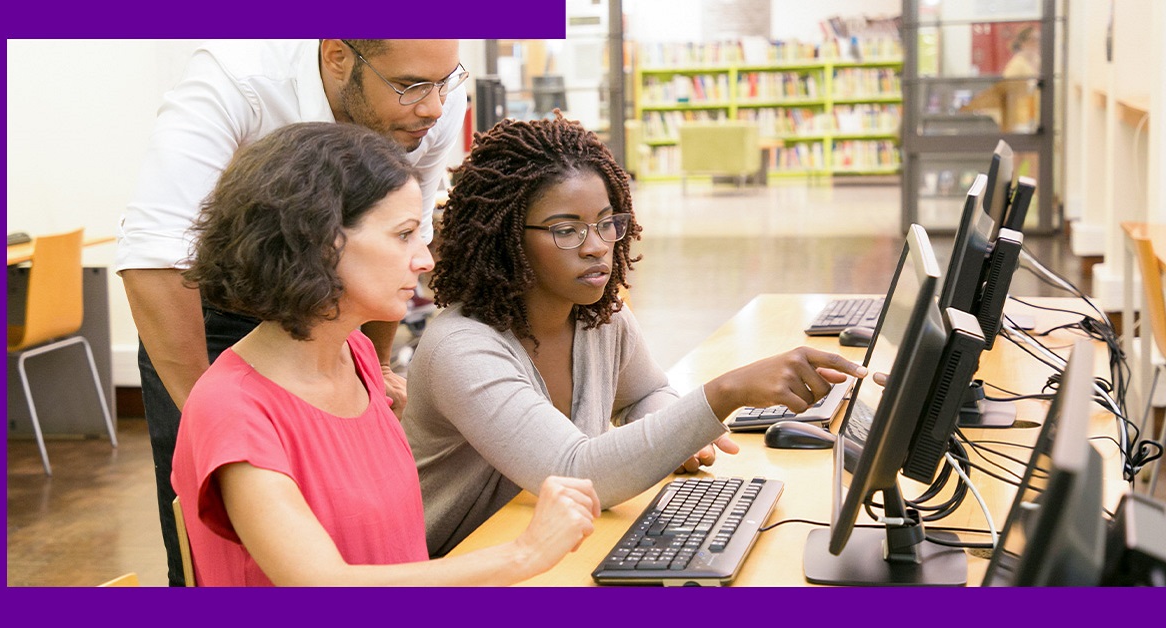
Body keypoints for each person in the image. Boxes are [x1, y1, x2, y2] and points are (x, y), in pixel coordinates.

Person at [402, 114, 868, 557]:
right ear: (505, 238)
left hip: (544, 546)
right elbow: (577, 475)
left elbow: (647, 391)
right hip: (455, 571)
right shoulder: (461, 349)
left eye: (607, 223)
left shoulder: (597, 316)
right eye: (567, 230)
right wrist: (726, 393)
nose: (596, 246)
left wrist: (676, 436)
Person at [171, 121, 599, 586]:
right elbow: (323, 587)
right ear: (319, 241)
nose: (425, 259)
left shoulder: (354, 356)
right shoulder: (231, 409)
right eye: (404, 235)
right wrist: (524, 554)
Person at [115, 39, 468, 586]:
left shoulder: (426, 102)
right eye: (411, 86)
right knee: (231, 532)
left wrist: (367, 377)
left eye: (446, 82)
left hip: (341, 308)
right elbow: (154, 257)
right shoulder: (237, 79)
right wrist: (218, 425)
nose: (435, 107)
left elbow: (402, 241)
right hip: (204, 305)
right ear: (337, 56)